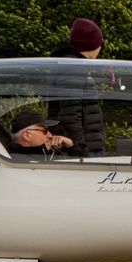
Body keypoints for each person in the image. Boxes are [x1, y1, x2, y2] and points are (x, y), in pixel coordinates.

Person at [47, 17, 107, 158]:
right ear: (92, 45)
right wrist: (78, 148)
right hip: (81, 149)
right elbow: (70, 112)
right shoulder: (72, 68)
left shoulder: (70, 65)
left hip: (81, 145)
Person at [0, 111, 75, 158]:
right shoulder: (16, 160)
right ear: (27, 135)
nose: (50, 135)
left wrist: (71, 145)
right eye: (45, 131)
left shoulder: (47, 153)